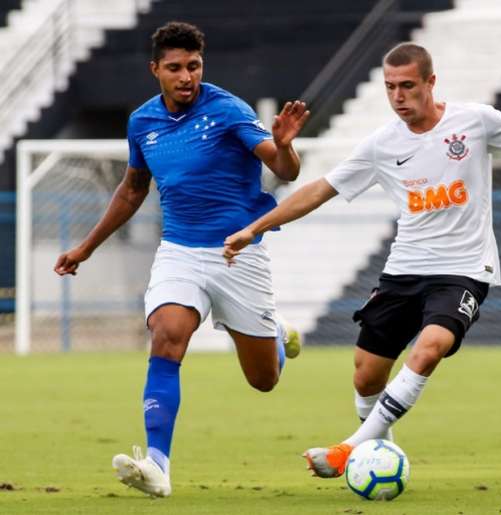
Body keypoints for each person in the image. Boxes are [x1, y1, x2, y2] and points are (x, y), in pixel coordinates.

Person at [222, 42, 501, 478]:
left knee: (430, 348)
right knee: (366, 377)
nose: (398, 96)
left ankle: (349, 449)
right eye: (391, 87)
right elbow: (321, 189)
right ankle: (380, 455)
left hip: (464, 270)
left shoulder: (476, 121)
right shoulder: (382, 144)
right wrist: (255, 227)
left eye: (407, 86)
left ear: (430, 82)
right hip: (404, 270)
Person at [53, 21, 309, 496]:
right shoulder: (142, 122)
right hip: (179, 252)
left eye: (194, 66)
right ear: (156, 70)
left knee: (263, 380)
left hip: (237, 254)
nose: (186, 76)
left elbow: (283, 168)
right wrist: (85, 248)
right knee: (166, 336)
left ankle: (275, 334)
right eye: (175, 68)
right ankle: (157, 466)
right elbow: (132, 190)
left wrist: (287, 143)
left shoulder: (228, 109)